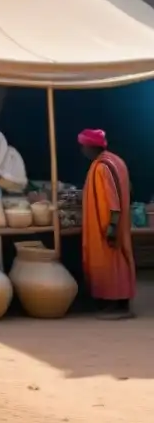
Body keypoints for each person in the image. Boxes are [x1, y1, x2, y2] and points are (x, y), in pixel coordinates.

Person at [79, 128, 136, 319]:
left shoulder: (103, 166)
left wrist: (111, 227)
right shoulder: (116, 160)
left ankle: (113, 303)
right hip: (116, 222)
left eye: (84, 146)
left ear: (91, 146)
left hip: (107, 224)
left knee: (110, 264)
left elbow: (113, 199)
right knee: (120, 261)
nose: (82, 150)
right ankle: (121, 301)